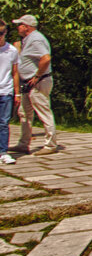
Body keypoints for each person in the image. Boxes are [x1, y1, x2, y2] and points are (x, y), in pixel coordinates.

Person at [13, 15, 56, 156]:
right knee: (24, 113)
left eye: (20, 24)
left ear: (27, 26)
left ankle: (50, 144)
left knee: (43, 111)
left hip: (38, 82)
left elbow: (46, 58)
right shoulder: (27, 40)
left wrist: (37, 75)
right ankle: (23, 143)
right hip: (28, 83)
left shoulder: (36, 39)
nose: (18, 27)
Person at [0, 20, 17, 164]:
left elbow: (15, 73)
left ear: (5, 32)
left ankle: (3, 152)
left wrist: (17, 93)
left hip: (6, 90)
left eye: (0, 33)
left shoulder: (11, 50)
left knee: (4, 123)